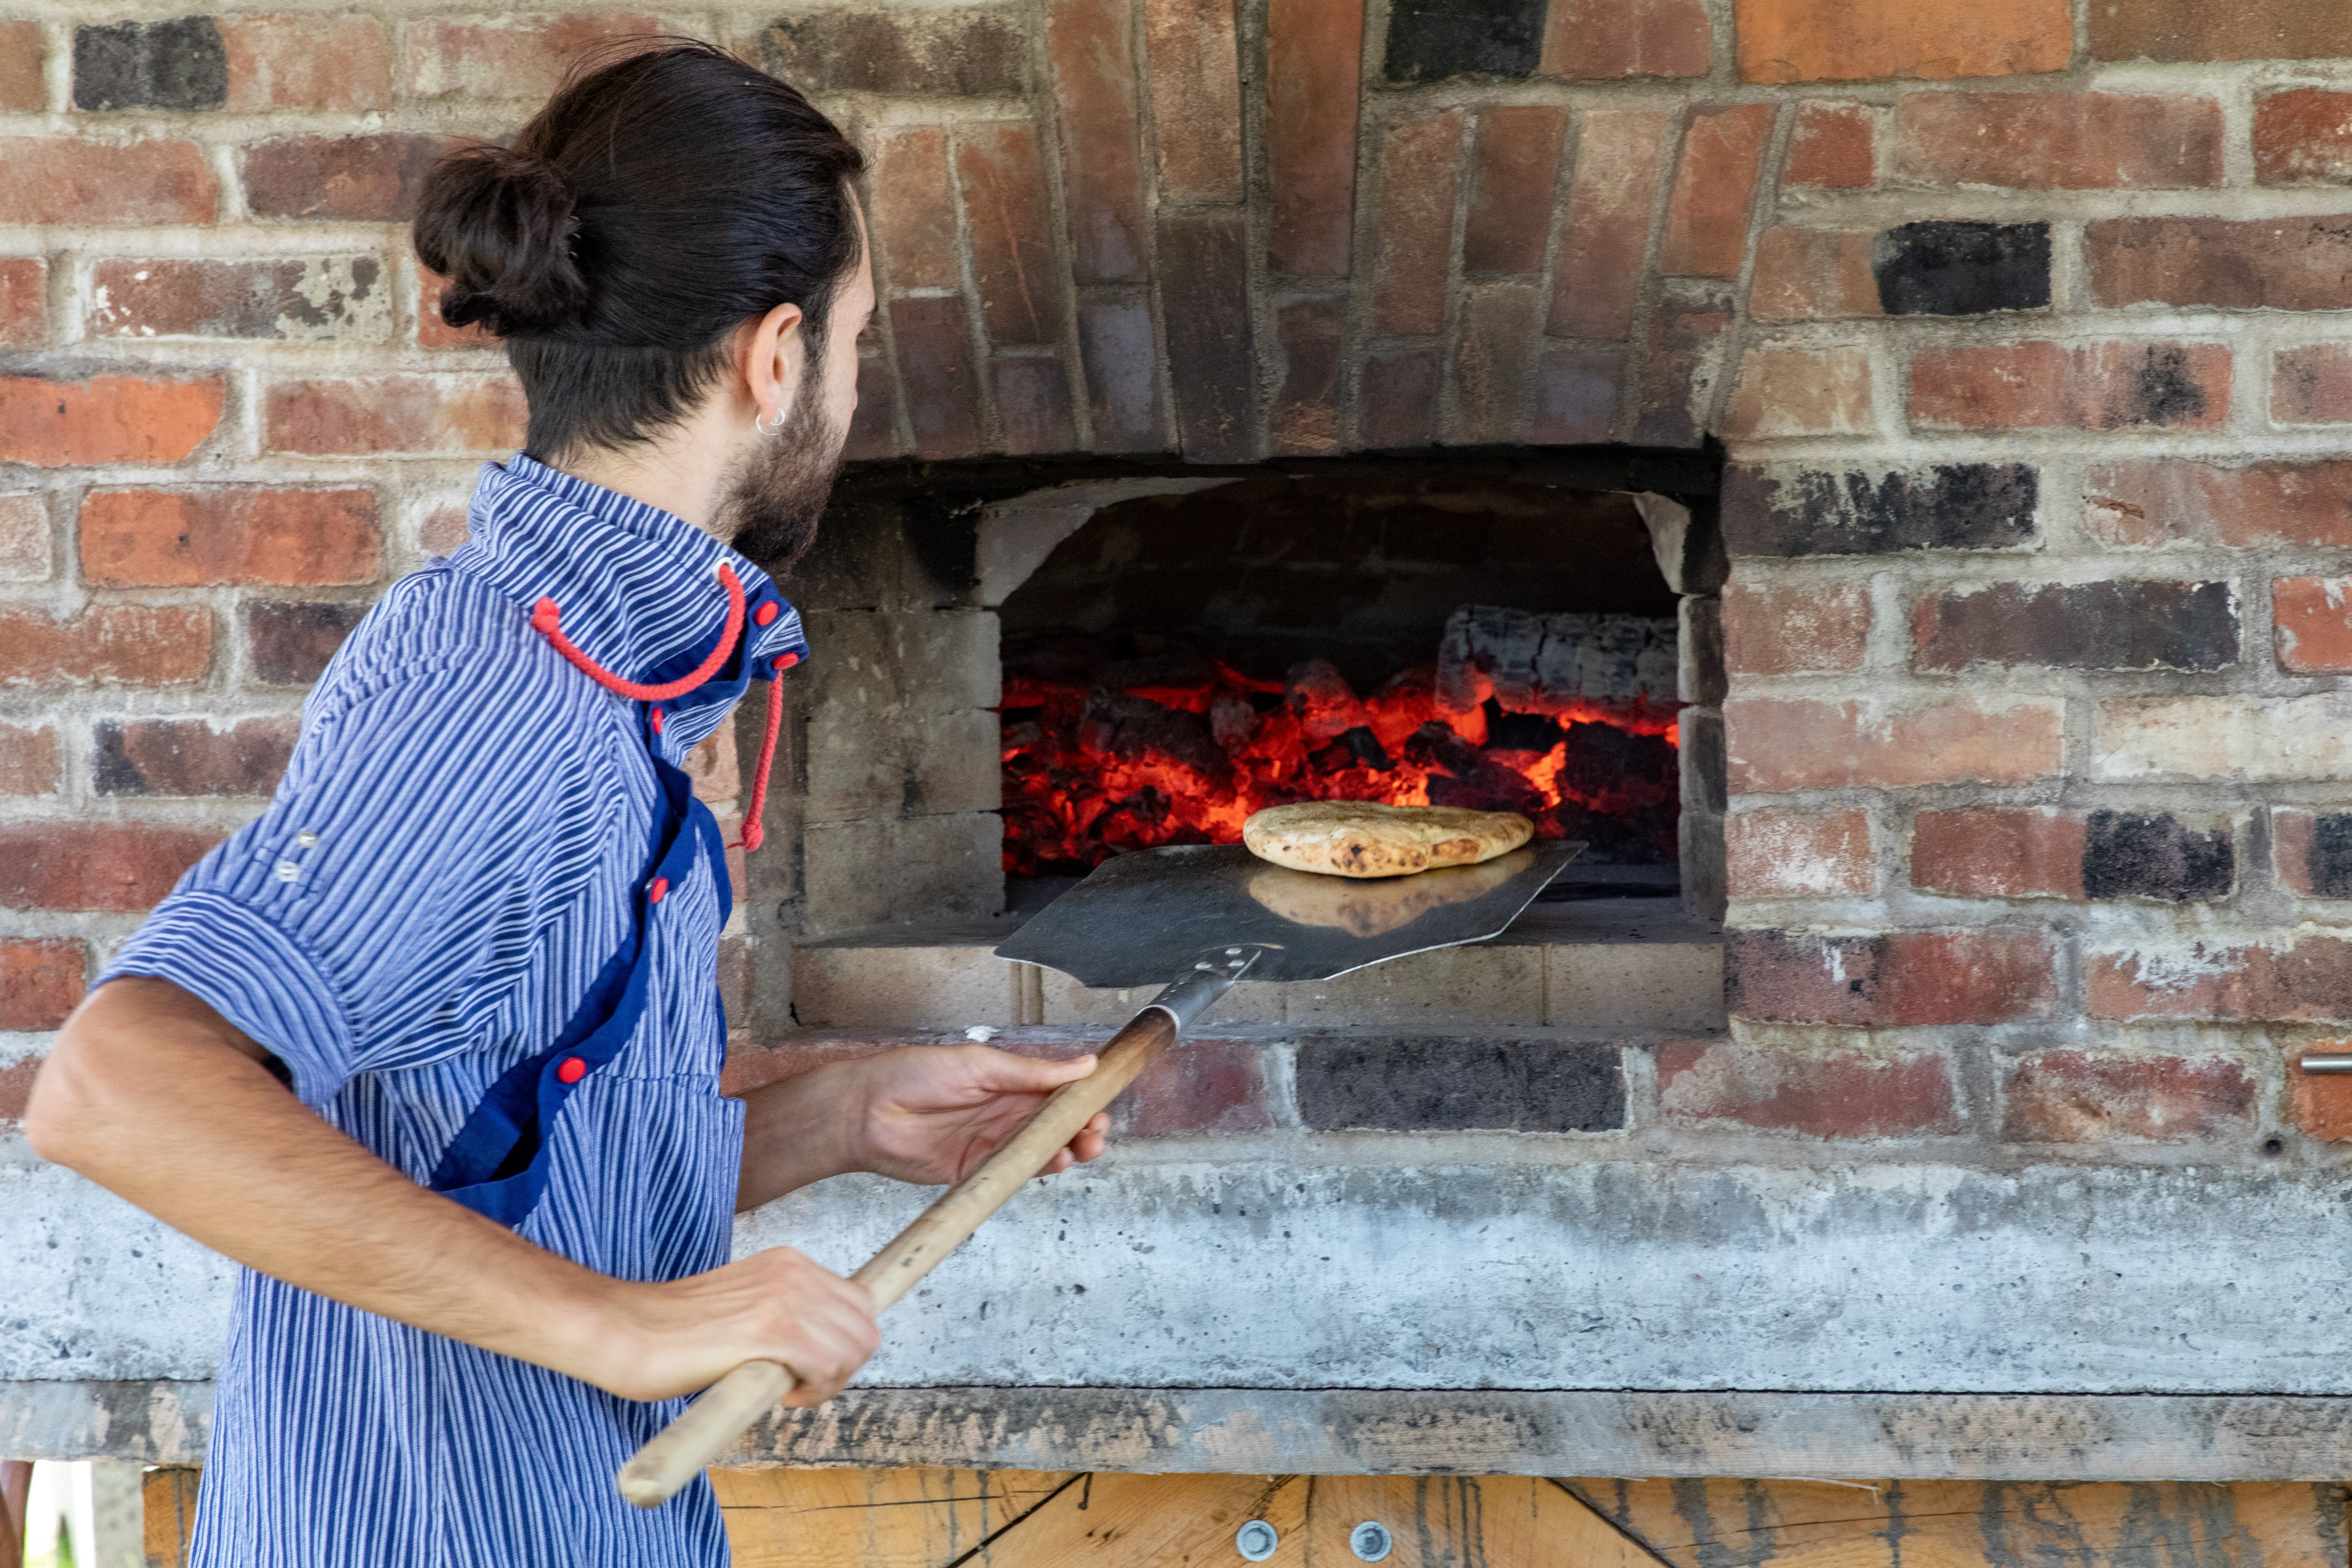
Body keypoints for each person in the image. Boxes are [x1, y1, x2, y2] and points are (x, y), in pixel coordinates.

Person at [24, 41, 1110, 1567]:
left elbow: (511, 1148)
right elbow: (116, 1085)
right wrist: (621, 1330)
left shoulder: (625, 682)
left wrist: (845, 1115)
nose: (853, 389)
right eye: (859, 339)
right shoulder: (500, 685)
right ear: (776, 357)